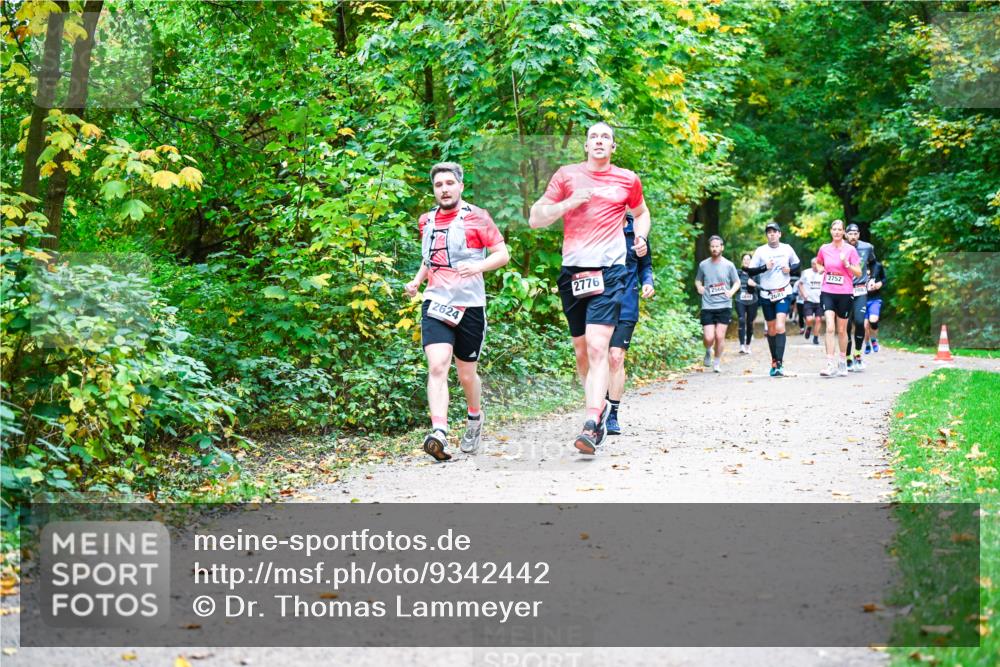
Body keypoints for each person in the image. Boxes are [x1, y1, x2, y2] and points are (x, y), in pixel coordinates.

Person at [529, 122, 650, 455]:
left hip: (610, 272)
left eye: (605, 137)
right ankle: (597, 408)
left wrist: (640, 236)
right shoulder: (566, 176)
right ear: (585, 146)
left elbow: (641, 213)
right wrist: (568, 203)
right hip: (574, 274)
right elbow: (535, 218)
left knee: (599, 349)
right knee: (581, 352)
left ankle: (592, 422)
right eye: (593, 137)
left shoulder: (627, 179)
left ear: (613, 147)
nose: (599, 141)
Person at [405, 162, 509, 461]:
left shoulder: (478, 218)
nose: (445, 189)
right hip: (436, 302)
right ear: (434, 189)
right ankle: (439, 432)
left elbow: (503, 254)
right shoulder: (426, 221)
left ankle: (475, 419)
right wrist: (416, 281)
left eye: (450, 183)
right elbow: (431, 258)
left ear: (461, 186)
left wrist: (477, 266)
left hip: (470, 306)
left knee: (466, 374)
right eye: (439, 185)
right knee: (437, 365)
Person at [606, 213, 655, 436]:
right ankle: (596, 409)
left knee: (616, 356)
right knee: (597, 358)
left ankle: (612, 414)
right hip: (600, 300)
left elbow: (646, 266)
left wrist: (647, 282)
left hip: (627, 302)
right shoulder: (601, 227)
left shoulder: (638, 233)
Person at [744, 222, 800, 377]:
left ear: (779, 234)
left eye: (775, 231)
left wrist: (791, 269)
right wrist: (764, 268)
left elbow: (797, 263)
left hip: (783, 292)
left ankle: (780, 364)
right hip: (766, 294)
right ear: (767, 235)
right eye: (769, 232)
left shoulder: (787, 248)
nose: (772, 234)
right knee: (771, 329)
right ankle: (774, 360)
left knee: (780, 326)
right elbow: (750, 270)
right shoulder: (761, 251)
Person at [815, 219, 862, 377]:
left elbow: (859, 273)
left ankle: (842, 361)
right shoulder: (824, 248)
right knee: (829, 327)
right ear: (831, 231)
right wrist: (821, 269)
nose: (836, 232)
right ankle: (829, 364)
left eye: (839, 229)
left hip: (845, 293)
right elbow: (819, 263)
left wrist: (847, 265)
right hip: (827, 291)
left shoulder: (850, 250)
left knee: (842, 330)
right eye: (834, 229)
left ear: (843, 232)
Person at [695, 236, 740, 372]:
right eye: (712, 246)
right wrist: (699, 287)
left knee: (720, 336)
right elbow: (698, 280)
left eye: (717, 246)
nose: (715, 248)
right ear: (710, 248)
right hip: (708, 305)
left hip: (724, 305)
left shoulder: (729, 265)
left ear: (722, 247)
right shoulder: (703, 265)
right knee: (709, 337)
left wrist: (731, 292)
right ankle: (708, 349)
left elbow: (737, 282)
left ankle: (717, 363)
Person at [844, 223, 878, 372]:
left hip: (860, 290)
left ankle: (858, 354)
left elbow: (874, 263)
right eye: (850, 234)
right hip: (844, 291)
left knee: (859, 322)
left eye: (855, 233)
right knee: (845, 326)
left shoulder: (867, 247)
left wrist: (873, 278)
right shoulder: (840, 248)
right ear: (846, 234)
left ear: (859, 234)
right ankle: (847, 357)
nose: (853, 236)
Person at [735, 253, 759, 355]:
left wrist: (755, 285)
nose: (746, 261)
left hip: (752, 300)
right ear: (742, 261)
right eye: (744, 259)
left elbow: (761, 287)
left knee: (749, 322)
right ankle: (741, 346)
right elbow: (732, 284)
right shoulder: (737, 273)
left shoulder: (756, 274)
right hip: (740, 300)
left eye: (748, 259)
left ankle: (748, 345)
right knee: (741, 319)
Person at [798, 257, 824, 345]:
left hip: (819, 300)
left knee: (818, 319)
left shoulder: (823, 273)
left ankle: (816, 338)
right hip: (808, 299)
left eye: (818, 264)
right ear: (811, 264)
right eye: (814, 264)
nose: (816, 266)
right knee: (809, 319)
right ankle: (808, 327)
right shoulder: (806, 272)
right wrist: (803, 294)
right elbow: (800, 284)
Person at [864, 260, 886, 354]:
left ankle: (874, 340)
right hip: (862, 299)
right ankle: (867, 344)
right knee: (865, 326)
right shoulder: (858, 264)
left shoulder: (878, 265)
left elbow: (884, 279)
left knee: (873, 320)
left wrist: (880, 284)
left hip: (875, 299)